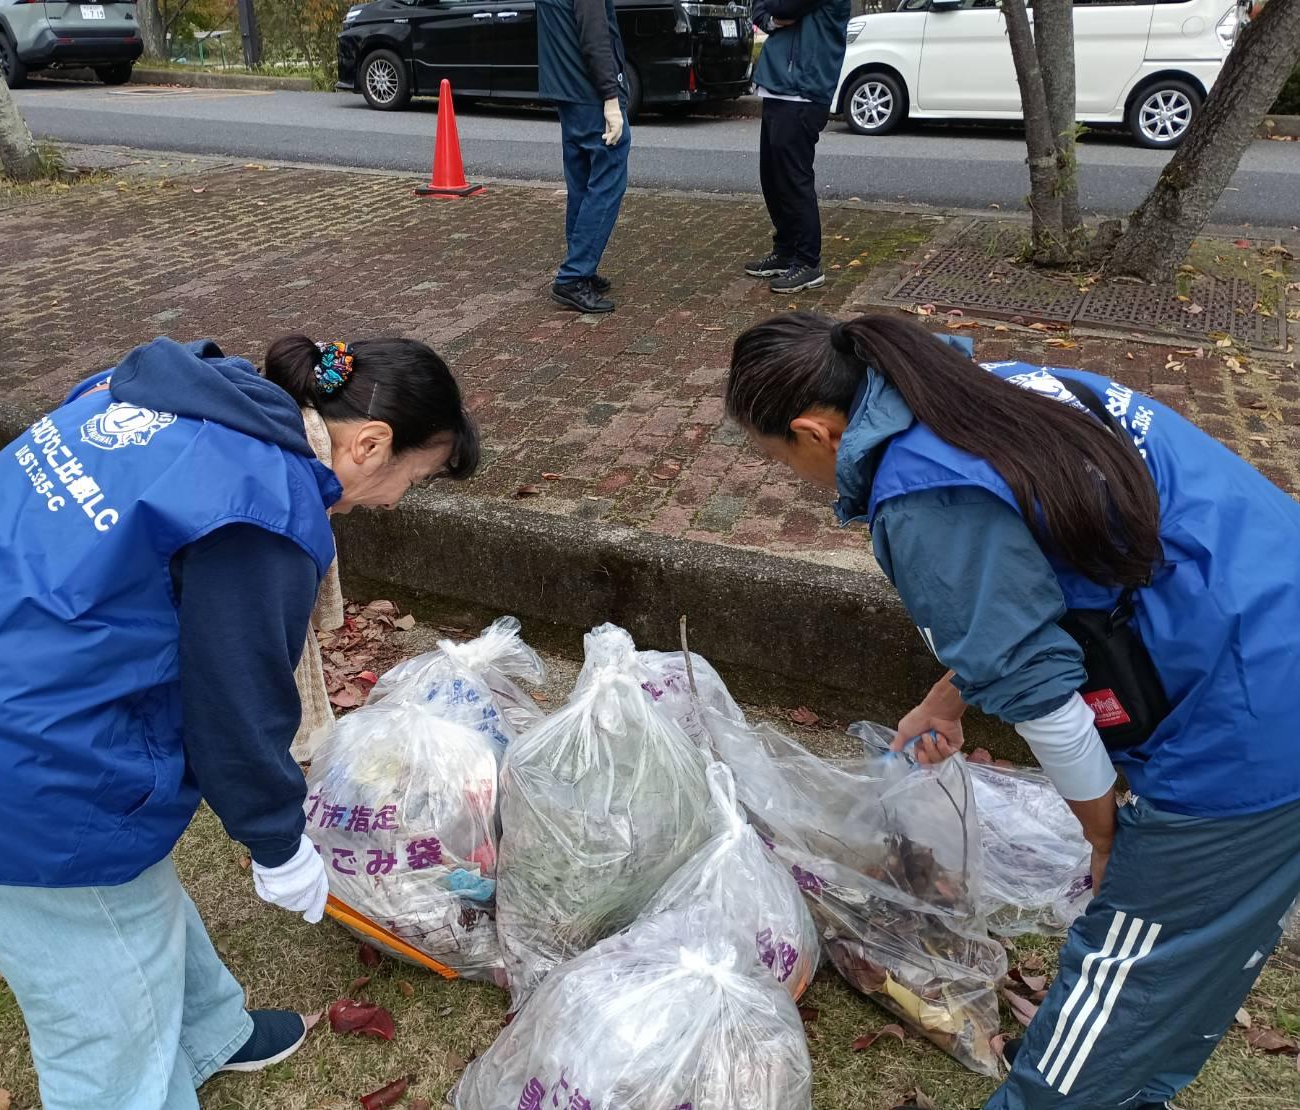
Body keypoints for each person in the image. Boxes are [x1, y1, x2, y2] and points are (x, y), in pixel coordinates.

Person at [0, 335, 478, 1109]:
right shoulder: (259, 507)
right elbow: (234, 701)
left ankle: (209, 1032)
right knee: (102, 1007)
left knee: (124, 888)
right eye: (416, 477)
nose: (399, 500)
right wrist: (277, 841)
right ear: (370, 444)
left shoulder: (171, 397)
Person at [726, 310, 1300, 1110]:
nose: (794, 477)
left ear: (814, 432)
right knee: (1205, 943)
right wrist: (947, 695)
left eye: (778, 460)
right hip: (1270, 610)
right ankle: (1139, 1091)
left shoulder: (920, 492)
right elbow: (1046, 581)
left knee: (1126, 965)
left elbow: (1043, 696)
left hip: (1249, 717)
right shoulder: (987, 392)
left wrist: (1106, 837)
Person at [746, 0, 851, 295]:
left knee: (794, 180)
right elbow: (761, 8)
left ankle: (807, 262)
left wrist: (773, 14)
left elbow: (786, 7)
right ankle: (786, 251)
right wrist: (769, 17)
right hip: (778, 85)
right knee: (772, 176)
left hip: (803, 90)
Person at [537, 0, 631, 315]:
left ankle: (581, 268)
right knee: (607, 181)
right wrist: (610, 96)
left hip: (566, 88)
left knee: (581, 182)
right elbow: (594, 34)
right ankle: (575, 275)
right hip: (587, 88)